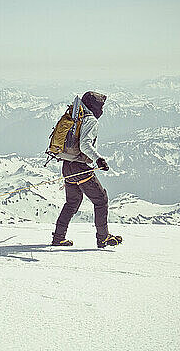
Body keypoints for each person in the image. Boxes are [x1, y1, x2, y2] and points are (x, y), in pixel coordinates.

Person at [51, 91, 123, 248]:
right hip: (80, 167)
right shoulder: (90, 120)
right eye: (101, 106)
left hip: (67, 166)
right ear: (94, 106)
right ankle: (103, 237)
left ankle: (58, 237)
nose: (102, 110)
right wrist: (98, 159)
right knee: (101, 200)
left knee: (72, 201)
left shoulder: (77, 117)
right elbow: (85, 145)